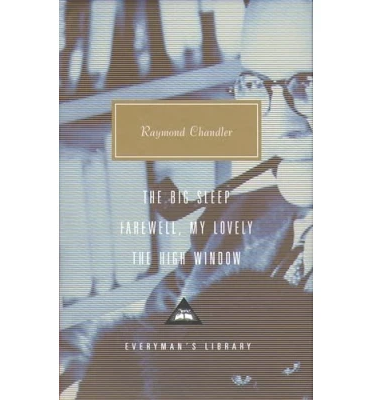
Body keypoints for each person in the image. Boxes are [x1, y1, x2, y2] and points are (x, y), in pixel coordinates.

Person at [76, 1, 313, 398]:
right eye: (255, 85)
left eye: (312, 85)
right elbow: (145, 349)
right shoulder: (236, 215)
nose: (279, 125)